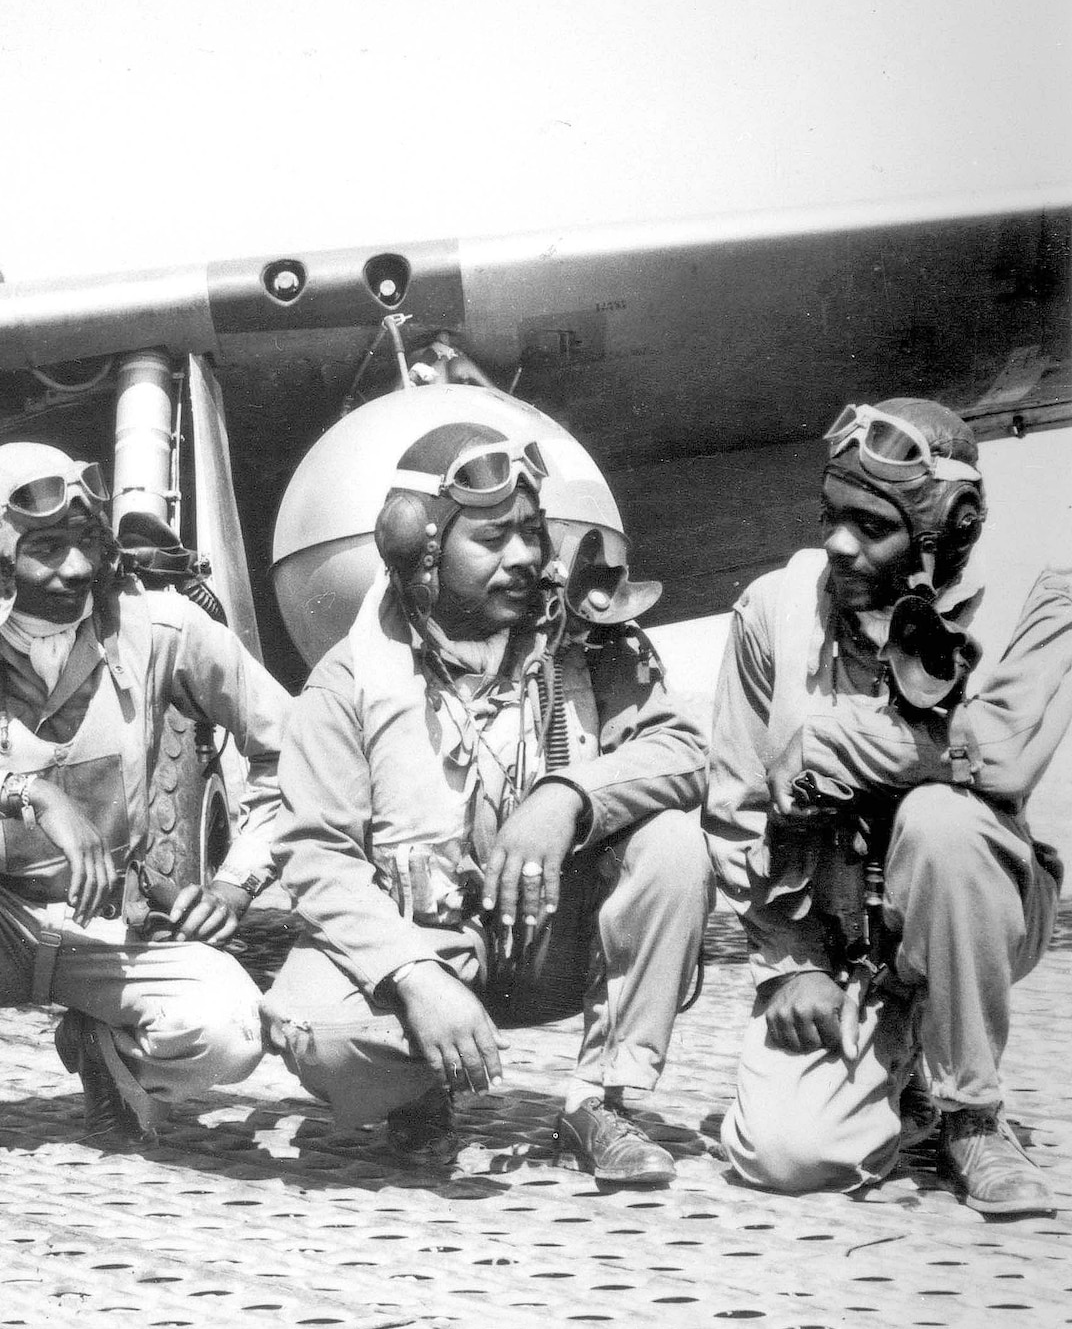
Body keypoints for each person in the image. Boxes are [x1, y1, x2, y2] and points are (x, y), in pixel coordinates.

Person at [262, 422, 713, 1184]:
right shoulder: (347, 685)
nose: (525, 558)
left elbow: (683, 751)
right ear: (425, 556)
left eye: (532, 533)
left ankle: (601, 1102)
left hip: (551, 938)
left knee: (671, 845)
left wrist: (568, 794)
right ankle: (417, 1094)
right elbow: (316, 856)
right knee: (313, 1028)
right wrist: (413, 975)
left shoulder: (586, 641)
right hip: (426, 948)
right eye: (494, 538)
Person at [0, 441, 287, 1175]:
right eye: (45, 547)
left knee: (232, 1031)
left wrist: (240, 877)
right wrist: (21, 792)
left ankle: (102, 1042)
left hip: (105, 921)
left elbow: (295, 750)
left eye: (86, 542)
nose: (75, 569)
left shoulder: (159, 622)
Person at [707, 398, 1061, 1216]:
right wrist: (791, 964)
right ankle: (893, 1077)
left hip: (978, 899)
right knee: (788, 1158)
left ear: (946, 535)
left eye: (871, 526)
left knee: (943, 823)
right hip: (835, 935)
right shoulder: (774, 609)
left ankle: (970, 1112)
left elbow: (1001, 753)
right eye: (832, 515)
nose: (838, 542)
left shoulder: (1031, 599)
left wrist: (829, 745)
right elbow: (734, 806)